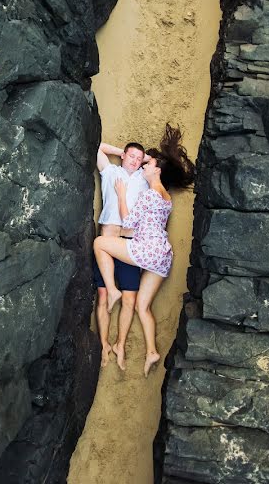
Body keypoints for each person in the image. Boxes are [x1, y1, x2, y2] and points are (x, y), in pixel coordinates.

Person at [93, 124, 195, 377]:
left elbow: (130, 222)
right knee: (124, 301)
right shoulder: (159, 193)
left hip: (138, 247)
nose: (140, 163)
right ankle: (130, 348)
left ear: (152, 169)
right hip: (150, 252)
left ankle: (122, 339)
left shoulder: (147, 188)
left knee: (128, 296)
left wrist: (125, 189)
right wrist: (138, 157)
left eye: (144, 162)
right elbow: (104, 150)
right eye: (135, 158)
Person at [94, 141, 150, 370]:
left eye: (139, 158)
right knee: (103, 295)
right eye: (132, 156)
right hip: (108, 239)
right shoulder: (110, 171)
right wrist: (121, 154)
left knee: (130, 299)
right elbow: (96, 146)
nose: (135, 161)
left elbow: (156, 163)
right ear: (124, 155)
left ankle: (120, 344)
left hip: (129, 243)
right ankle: (104, 344)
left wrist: (141, 161)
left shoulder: (143, 178)